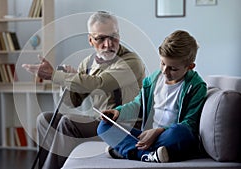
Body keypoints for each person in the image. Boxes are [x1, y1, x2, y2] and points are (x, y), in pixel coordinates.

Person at [22, 11, 145, 169]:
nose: (108, 44)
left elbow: (98, 83)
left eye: (113, 36)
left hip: (123, 125)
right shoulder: (88, 63)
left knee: (68, 123)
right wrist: (67, 80)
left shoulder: (131, 61)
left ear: (119, 35)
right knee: (44, 119)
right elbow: (73, 102)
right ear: (90, 40)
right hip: (99, 121)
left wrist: (55, 75)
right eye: (101, 38)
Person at [97, 30, 207, 163]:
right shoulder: (153, 80)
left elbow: (190, 124)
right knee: (104, 127)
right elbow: (138, 105)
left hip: (167, 136)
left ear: (190, 67)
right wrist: (117, 112)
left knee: (180, 132)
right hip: (146, 135)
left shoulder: (196, 86)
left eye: (173, 69)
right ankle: (146, 154)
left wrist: (157, 132)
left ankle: (127, 150)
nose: (165, 71)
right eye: (162, 63)